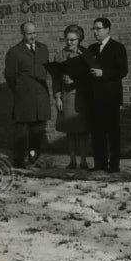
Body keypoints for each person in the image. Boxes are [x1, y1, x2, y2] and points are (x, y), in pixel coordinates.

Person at [4, 21, 51, 169]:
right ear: (22, 34)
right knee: (22, 133)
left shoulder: (43, 49)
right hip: (24, 99)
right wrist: (21, 90)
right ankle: (18, 161)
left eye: (34, 33)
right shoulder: (14, 52)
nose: (32, 36)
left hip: (41, 97)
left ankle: (33, 158)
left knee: (38, 131)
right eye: (29, 34)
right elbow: (10, 77)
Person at [85, 17, 128, 173]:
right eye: (94, 29)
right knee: (97, 133)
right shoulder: (91, 49)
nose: (95, 32)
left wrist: (103, 73)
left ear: (108, 29)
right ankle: (100, 164)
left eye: (99, 28)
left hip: (111, 98)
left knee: (112, 132)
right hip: (95, 98)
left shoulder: (117, 48)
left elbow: (123, 71)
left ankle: (114, 164)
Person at [50, 24, 91, 170]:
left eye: (73, 40)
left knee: (83, 131)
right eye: (67, 40)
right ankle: (72, 161)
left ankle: (84, 161)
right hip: (67, 98)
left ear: (79, 39)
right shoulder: (59, 56)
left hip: (82, 98)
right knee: (71, 131)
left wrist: (76, 80)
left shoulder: (86, 55)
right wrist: (57, 97)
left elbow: (92, 78)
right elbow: (55, 80)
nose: (69, 43)